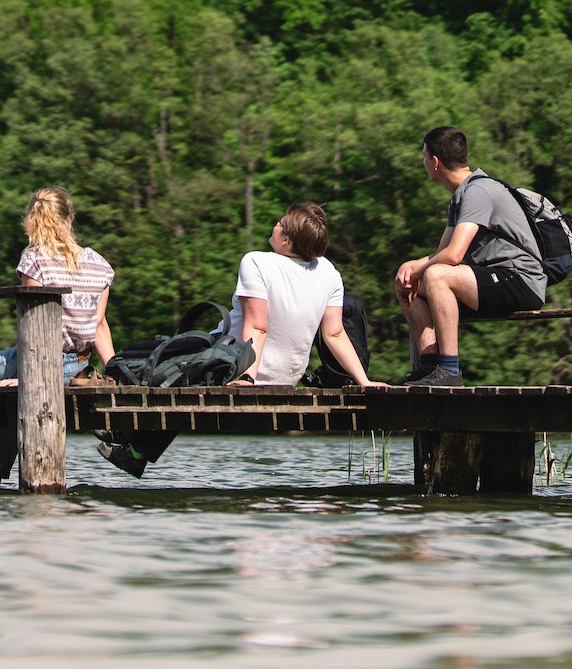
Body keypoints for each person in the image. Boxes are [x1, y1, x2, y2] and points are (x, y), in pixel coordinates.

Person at [98, 201, 374, 477]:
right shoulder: (328, 271)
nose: (275, 225)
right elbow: (334, 334)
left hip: (237, 366)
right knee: (185, 367)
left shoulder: (258, 261)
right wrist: (365, 382)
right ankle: (133, 449)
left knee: (156, 358)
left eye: (279, 223)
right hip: (287, 375)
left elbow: (257, 327)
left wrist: (248, 377)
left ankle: (124, 435)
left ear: (287, 240)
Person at [0, 187, 115, 488]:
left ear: (32, 221)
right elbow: (99, 325)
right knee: (12, 401)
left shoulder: (34, 259)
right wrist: (115, 370)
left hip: (39, 359)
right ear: (69, 219)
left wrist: (28, 377)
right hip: (78, 366)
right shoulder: (99, 264)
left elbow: (35, 325)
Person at [392, 126, 547, 386]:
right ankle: (429, 367)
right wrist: (411, 267)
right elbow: (442, 253)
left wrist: (420, 269)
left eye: (423, 156)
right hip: (497, 279)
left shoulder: (478, 191)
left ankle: (449, 371)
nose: (423, 162)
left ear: (435, 162)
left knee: (435, 275)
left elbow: (454, 256)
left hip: (521, 281)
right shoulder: (461, 196)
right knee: (410, 281)